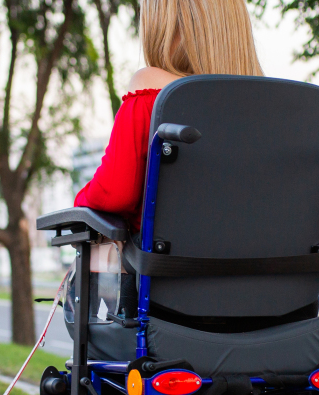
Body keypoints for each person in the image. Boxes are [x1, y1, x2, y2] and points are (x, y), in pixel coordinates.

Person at [73, 0, 264, 230]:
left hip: (172, 263)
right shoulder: (275, 109)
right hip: (266, 263)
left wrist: (79, 203)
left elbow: (114, 192)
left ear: (164, 26)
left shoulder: (153, 92)